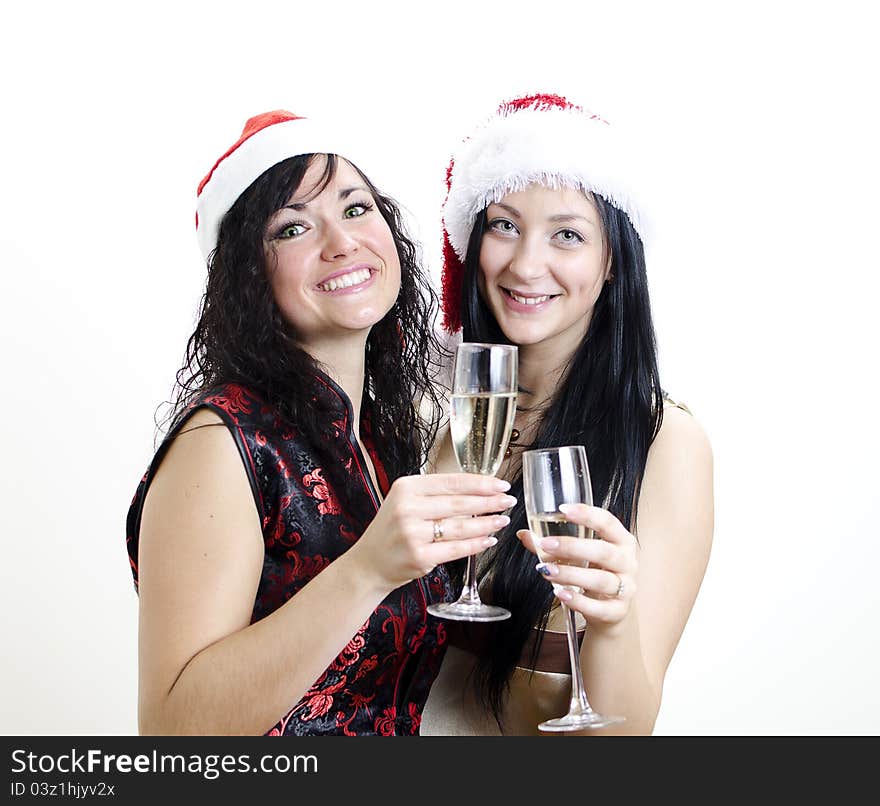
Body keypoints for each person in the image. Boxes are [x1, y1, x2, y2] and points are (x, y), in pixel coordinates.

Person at [125, 110, 518, 736]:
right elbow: (174, 731)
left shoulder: (378, 440)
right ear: (248, 276)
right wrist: (367, 570)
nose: (340, 242)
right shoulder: (222, 445)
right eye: (292, 227)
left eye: (356, 209)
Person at [420, 93, 714, 735]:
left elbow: (626, 737)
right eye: (503, 225)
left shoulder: (666, 443)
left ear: (613, 261)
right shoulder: (431, 417)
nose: (526, 264)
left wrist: (611, 620)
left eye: (567, 235)